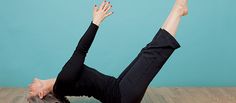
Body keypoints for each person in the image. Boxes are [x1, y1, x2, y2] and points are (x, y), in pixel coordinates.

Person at [28, 0, 188, 103]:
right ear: (41, 94)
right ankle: (179, 9)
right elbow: (80, 51)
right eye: (31, 91)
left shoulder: (62, 83)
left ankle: (179, 9)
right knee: (153, 53)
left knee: (147, 51)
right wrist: (96, 21)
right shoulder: (63, 81)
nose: (31, 84)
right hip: (122, 96)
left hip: (118, 89)